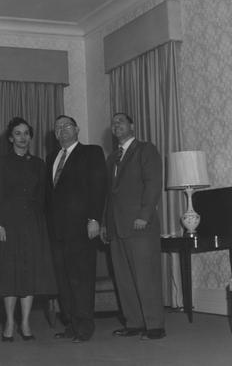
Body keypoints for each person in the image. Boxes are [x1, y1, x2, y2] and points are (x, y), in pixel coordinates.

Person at [0, 117, 57, 342]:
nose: (22, 137)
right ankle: (9, 321)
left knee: (29, 274)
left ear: (30, 136)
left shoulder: (39, 164)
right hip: (8, 225)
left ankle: (26, 322)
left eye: (26, 133)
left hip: (33, 225)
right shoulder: (1, 163)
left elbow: (44, 197)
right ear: (10, 138)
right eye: (17, 133)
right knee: (10, 275)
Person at [101, 112, 165, 340]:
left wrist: (144, 215)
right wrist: (105, 224)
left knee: (146, 276)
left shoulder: (146, 150)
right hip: (117, 227)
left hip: (140, 225)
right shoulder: (111, 159)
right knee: (124, 278)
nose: (116, 124)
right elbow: (109, 195)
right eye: (114, 122)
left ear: (132, 125)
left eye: (121, 121)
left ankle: (155, 325)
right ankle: (135, 322)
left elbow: (153, 183)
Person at [46, 115, 107, 343]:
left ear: (77, 129)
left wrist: (94, 218)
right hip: (57, 231)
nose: (62, 130)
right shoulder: (51, 157)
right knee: (63, 281)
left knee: (81, 279)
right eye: (58, 127)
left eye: (67, 126)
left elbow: (98, 187)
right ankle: (71, 324)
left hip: (82, 228)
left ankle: (84, 327)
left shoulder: (91, 152)